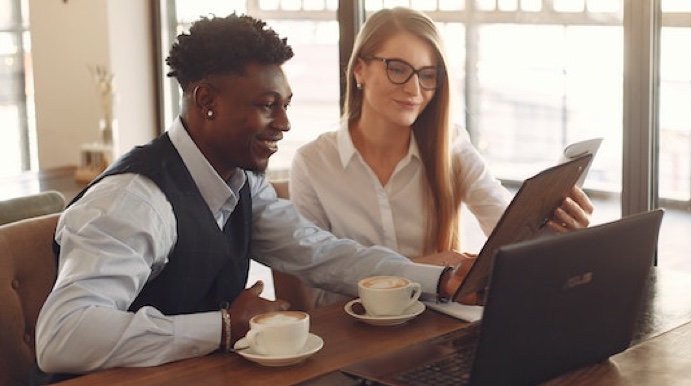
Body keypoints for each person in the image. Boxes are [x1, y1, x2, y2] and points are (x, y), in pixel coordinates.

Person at [33, 14, 475, 384]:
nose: (283, 122)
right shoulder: (135, 201)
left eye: (286, 104)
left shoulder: (241, 182)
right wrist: (223, 328)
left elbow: (321, 253)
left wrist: (441, 281)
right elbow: (61, 338)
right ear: (206, 100)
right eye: (267, 105)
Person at [290, 7, 594, 307]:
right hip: (354, 332)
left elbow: (509, 234)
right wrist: (426, 270)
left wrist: (560, 234)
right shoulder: (312, 164)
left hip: (437, 325)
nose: (414, 89)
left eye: (428, 75)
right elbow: (321, 288)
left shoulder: (452, 145)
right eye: (397, 68)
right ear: (360, 69)